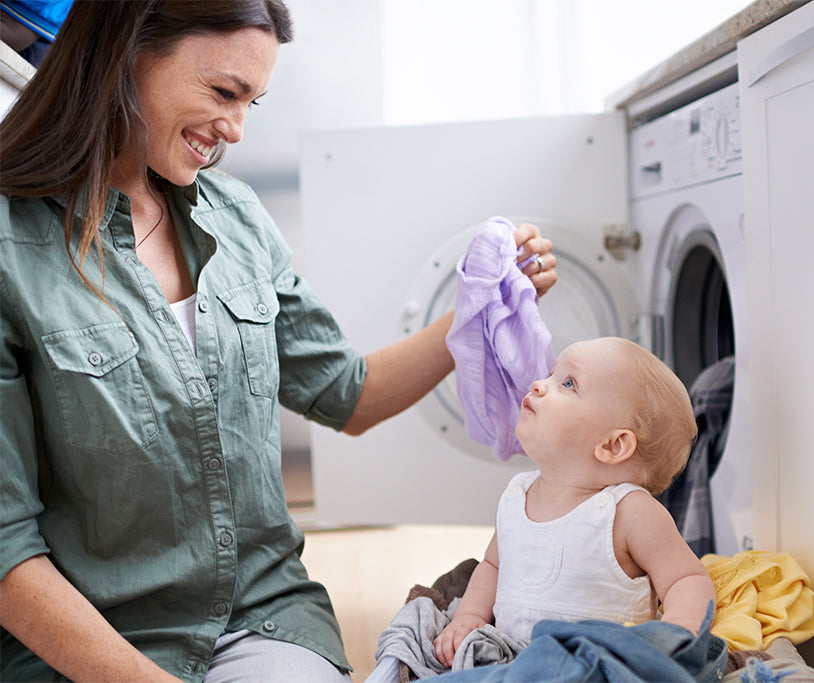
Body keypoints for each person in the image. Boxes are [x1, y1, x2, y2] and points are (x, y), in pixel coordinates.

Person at [0, 2, 557, 682]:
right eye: (223, 92)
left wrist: (483, 306)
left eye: (251, 104)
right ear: (127, 52)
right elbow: (6, 547)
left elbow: (349, 394)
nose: (233, 129)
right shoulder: (11, 247)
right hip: (87, 643)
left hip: (259, 620)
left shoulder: (235, 217)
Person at [432, 336, 715, 668]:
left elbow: (687, 578)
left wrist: (678, 631)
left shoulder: (627, 511)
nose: (539, 385)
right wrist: (468, 616)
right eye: (551, 374)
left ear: (613, 446)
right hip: (512, 660)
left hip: (597, 667)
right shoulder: (516, 495)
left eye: (568, 383)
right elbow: (493, 566)